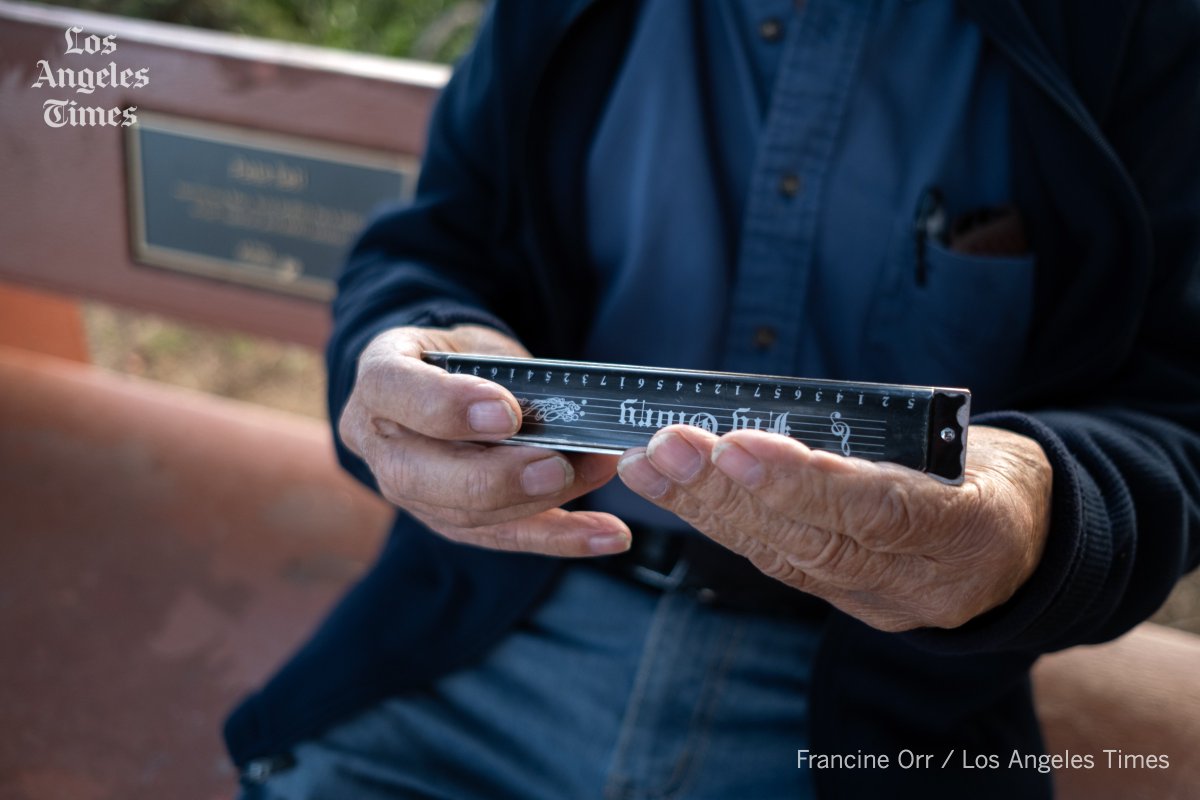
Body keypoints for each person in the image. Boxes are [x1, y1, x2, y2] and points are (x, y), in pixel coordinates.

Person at [224, 1, 1200, 797]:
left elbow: (1178, 410)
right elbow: (433, 248)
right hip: (482, 648)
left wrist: (1038, 511)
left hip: (883, 715)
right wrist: (414, 366)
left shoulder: (1140, 31)